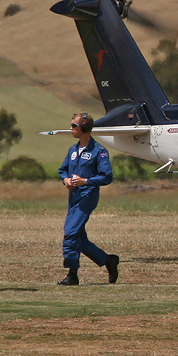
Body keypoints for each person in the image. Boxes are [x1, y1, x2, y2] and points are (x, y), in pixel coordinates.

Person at [57, 113, 119, 286]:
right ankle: (108, 261)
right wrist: (66, 180)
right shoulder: (72, 150)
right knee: (79, 238)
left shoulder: (99, 151)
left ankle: (72, 274)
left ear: (84, 127)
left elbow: (106, 176)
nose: (71, 129)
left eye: (74, 125)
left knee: (70, 233)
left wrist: (86, 181)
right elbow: (62, 170)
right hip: (73, 197)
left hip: (87, 197)